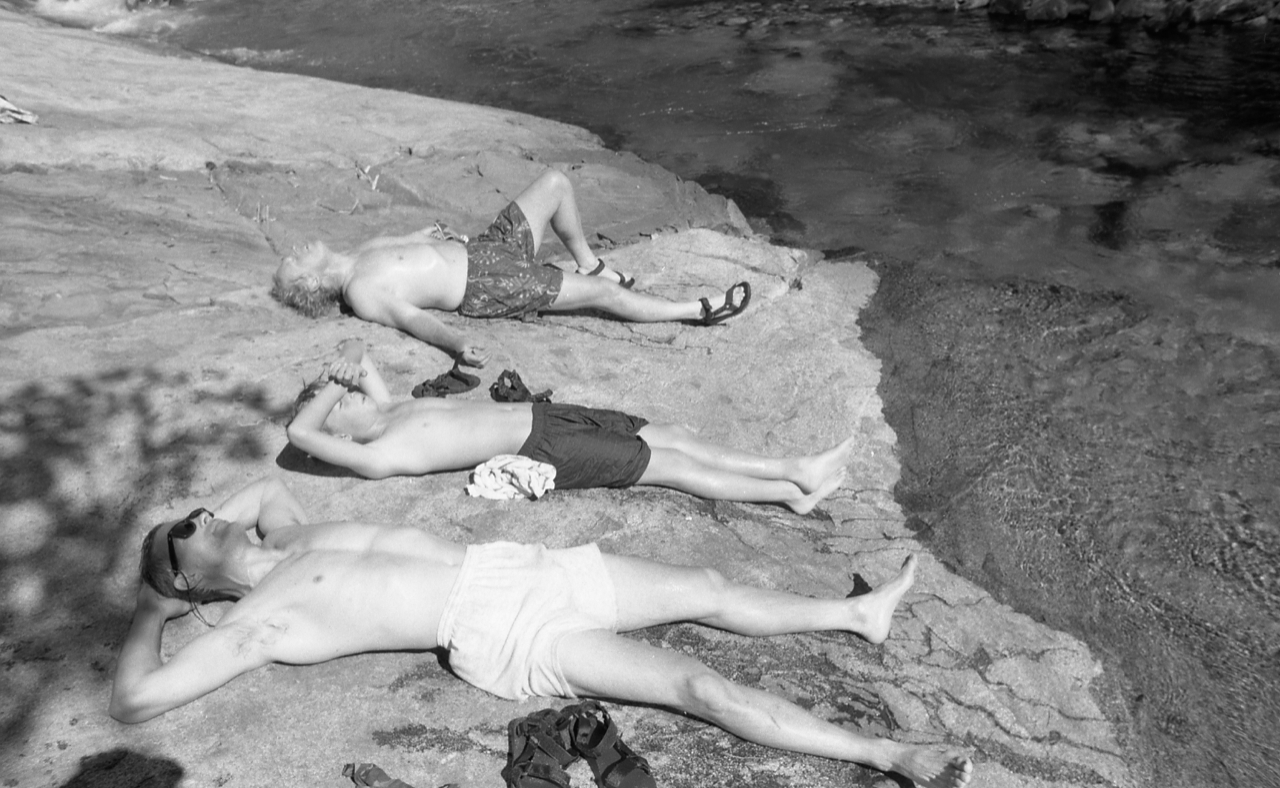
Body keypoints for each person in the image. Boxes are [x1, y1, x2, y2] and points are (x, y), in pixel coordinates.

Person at [109, 477, 973, 788]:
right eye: (187, 527)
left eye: (199, 508)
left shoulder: (287, 531)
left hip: (518, 566)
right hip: (503, 630)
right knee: (696, 687)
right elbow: (136, 700)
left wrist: (203, 539)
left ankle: (856, 614)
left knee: (706, 588)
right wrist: (157, 606)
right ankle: (890, 757)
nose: (205, 513)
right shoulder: (258, 622)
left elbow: (261, 490)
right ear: (187, 579)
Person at [286, 340, 851, 514]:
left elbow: (358, 355)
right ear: (338, 437)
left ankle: (795, 469)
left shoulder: (390, 409)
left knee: (673, 434)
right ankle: (788, 493)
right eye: (334, 400)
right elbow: (300, 435)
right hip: (543, 447)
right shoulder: (378, 453)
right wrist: (329, 386)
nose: (346, 390)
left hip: (546, 416)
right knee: (672, 467)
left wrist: (345, 364)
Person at [270, 169, 752, 367]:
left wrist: (430, 234)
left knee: (556, 183)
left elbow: (413, 244)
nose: (297, 247)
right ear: (309, 282)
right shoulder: (360, 291)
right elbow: (411, 319)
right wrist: (455, 343)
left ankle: (591, 263)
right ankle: (695, 310)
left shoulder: (361, 251)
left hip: (489, 248)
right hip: (488, 283)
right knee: (603, 299)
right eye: (293, 259)